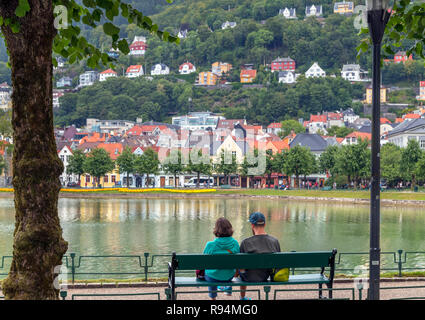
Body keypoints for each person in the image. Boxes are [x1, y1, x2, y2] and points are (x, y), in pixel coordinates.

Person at [238, 212, 281, 300]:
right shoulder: (274, 241)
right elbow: (278, 264)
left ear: (252, 225)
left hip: (247, 277)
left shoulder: (245, 242)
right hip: (265, 276)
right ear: (264, 224)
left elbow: (240, 265)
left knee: (241, 267)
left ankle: (242, 297)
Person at [202, 217, 240, 300]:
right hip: (229, 276)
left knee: (211, 273)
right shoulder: (235, 244)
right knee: (227, 269)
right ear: (230, 229)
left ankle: (213, 297)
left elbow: (203, 262)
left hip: (213, 277)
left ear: (216, 230)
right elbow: (238, 262)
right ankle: (228, 289)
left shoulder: (210, 245)